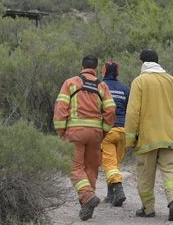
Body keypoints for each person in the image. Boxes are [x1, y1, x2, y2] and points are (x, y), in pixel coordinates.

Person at [125, 49, 173, 222]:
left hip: (147, 139)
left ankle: (148, 208)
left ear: (142, 62)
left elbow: (133, 112)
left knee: (145, 174)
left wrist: (129, 139)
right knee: (171, 169)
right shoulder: (171, 80)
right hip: (169, 137)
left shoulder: (140, 81)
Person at [53, 55, 116, 221]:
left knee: (74, 168)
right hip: (95, 134)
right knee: (91, 169)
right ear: (95, 68)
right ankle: (87, 204)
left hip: (74, 132)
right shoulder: (102, 86)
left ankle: (87, 197)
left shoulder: (71, 83)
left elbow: (60, 109)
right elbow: (110, 111)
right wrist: (103, 132)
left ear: (82, 66)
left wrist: (61, 132)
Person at [100, 60, 130, 207]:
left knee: (109, 164)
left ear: (103, 71)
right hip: (124, 131)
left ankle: (118, 191)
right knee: (113, 164)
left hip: (108, 131)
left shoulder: (100, 87)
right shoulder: (125, 89)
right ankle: (110, 195)